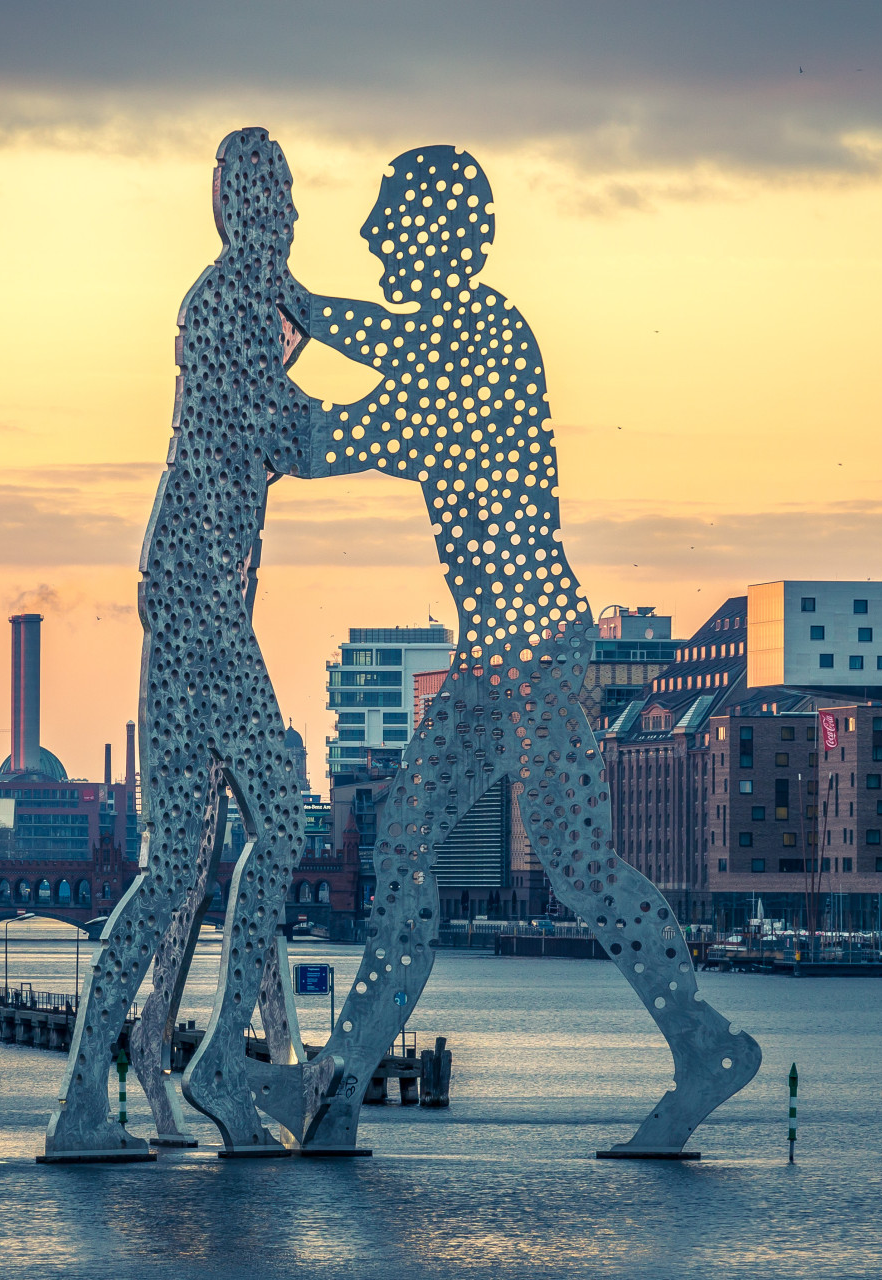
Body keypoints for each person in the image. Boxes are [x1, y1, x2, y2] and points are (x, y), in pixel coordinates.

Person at [265, 146, 761, 1155]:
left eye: (388, 220)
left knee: (572, 861)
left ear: (441, 235)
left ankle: (703, 1042)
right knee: (410, 850)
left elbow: (355, 426)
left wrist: (267, 376)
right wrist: (299, 306)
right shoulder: (452, 335)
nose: (370, 236)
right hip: (496, 661)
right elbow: (385, 343)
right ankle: (341, 1090)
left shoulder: (485, 339)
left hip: (538, 658)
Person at [41, 127, 313, 1160]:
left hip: (190, 603)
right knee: (277, 822)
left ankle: (96, 1092)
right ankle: (215, 1064)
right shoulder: (232, 306)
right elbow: (292, 431)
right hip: (201, 609)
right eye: (271, 196)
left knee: (177, 869)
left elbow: (278, 403)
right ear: (235, 206)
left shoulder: (237, 302)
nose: (287, 212)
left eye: (289, 194)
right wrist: (411, 426)